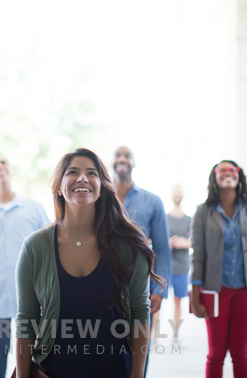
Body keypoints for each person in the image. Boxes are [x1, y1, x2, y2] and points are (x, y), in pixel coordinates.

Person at [15, 148, 164, 378]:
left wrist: (137, 375)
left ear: (102, 187)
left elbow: (139, 314)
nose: (82, 178)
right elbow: (26, 319)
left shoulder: (129, 247)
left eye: (91, 173)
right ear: (59, 187)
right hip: (53, 371)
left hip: (115, 371)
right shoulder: (35, 247)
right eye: (73, 172)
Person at [0, 153, 48, 378]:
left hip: (32, 299)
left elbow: (50, 252)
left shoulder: (33, 209)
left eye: (3, 162)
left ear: (11, 170)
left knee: (36, 362)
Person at [190, 160, 247, 378]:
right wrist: (195, 299)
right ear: (214, 178)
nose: (227, 173)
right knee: (216, 354)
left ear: (239, 176)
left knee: (241, 353)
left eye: (231, 170)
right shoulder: (203, 212)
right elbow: (198, 257)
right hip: (216, 291)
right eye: (221, 170)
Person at [112, 146, 171, 374]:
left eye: (127, 156)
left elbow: (163, 250)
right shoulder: (99, 198)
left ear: (134, 163)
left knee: (139, 356)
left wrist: (159, 289)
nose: (122, 159)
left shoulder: (152, 201)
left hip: (141, 292)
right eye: (117, 155)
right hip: (103, 288)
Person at [151, 185, 191, 343]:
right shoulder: (165, 218)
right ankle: (153, 336)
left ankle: (176, 335)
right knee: (157, 300)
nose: (177, 194)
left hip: (182, 267)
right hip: (164, 268)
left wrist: (184, 243)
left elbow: (194, 241)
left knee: (178, 303)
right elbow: (157, 241)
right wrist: (170, 243)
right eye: (175, 191)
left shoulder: (189, 219)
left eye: (179, 192)